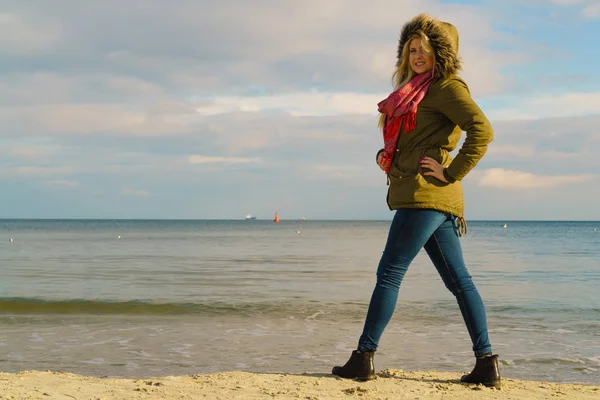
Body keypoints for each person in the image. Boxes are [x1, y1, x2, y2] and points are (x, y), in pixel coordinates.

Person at [331, 13, 501, 388]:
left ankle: (364, 357)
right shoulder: (417, 92)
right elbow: (414, 140)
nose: (417, 56)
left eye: (425, 50)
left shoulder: (447, 87)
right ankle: (486, 363)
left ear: (442, 52)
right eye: (411, 50)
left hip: (426, 194)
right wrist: (388, 157)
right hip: (426, 196)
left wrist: (451, 172)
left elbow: (482, 131)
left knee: (389, 273)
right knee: (460, 282)